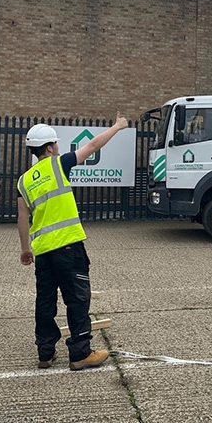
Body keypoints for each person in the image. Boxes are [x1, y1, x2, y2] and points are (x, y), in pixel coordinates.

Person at [17, 114, 129, 371]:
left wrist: (25, 249)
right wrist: (117, 126)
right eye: (55, 143)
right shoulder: (59, 164)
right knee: (77, 299)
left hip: (43, 251)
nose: (58, 146)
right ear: (48, 148)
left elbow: (22, 217)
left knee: (45, 302)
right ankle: (80, 353)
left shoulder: (24, 181)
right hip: (68, 246)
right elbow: (93, 145)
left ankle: (45, 352)